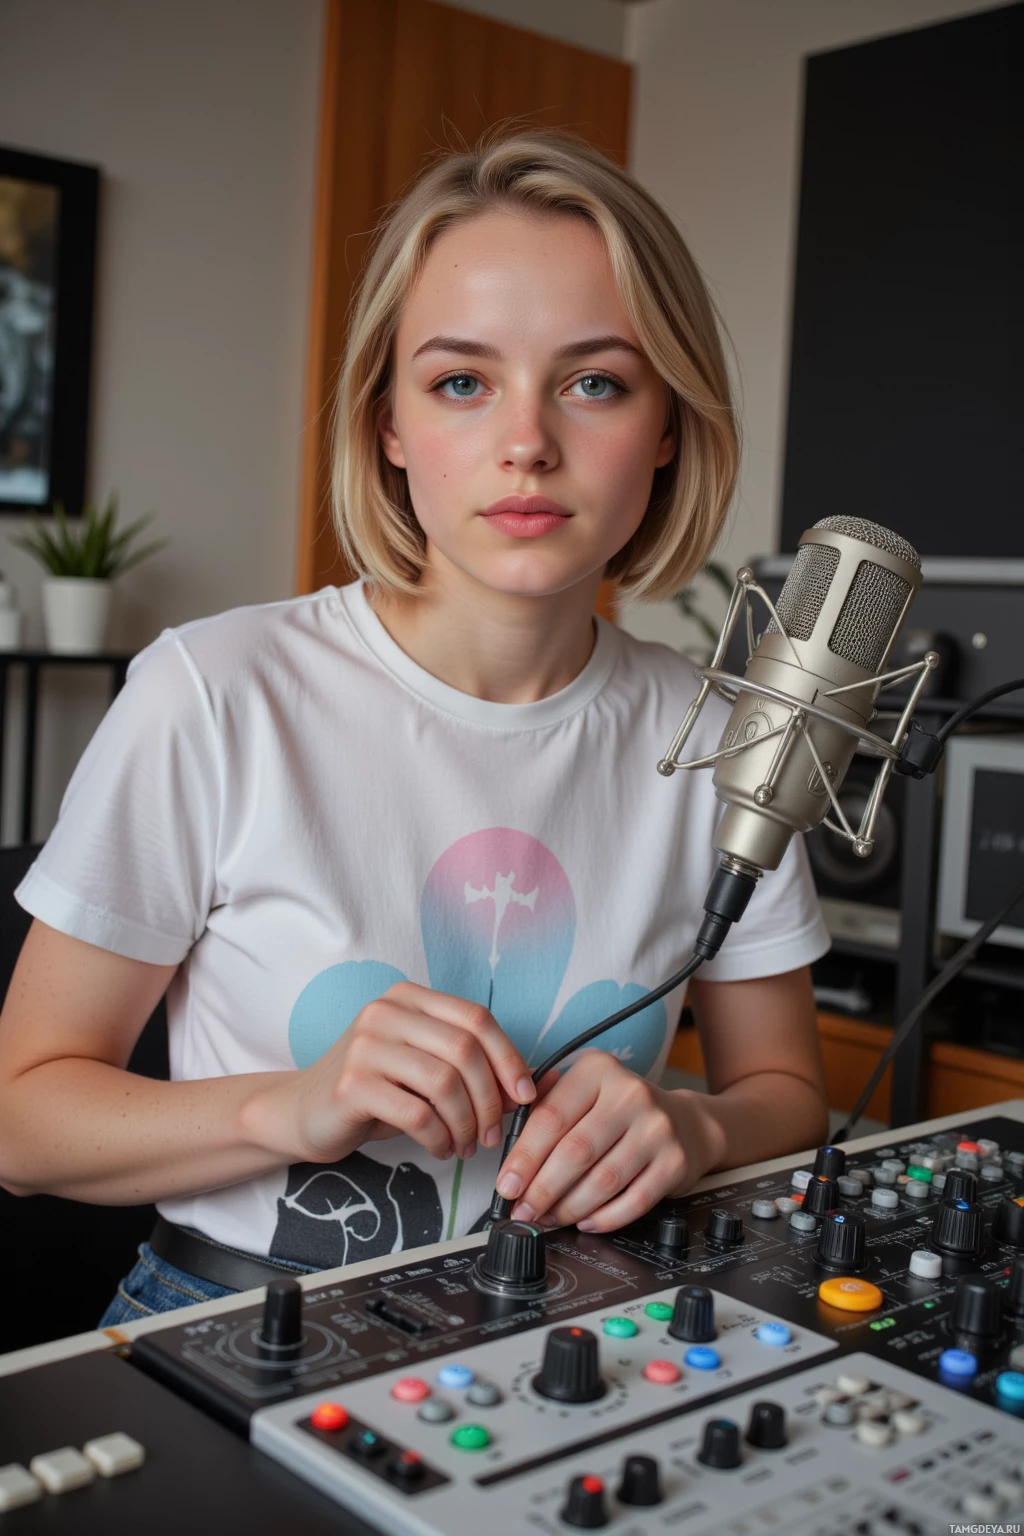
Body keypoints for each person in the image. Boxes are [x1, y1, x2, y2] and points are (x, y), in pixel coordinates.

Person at [0, 131, 830, 1327]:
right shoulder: (213, 692)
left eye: (594, 380)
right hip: (234, 1319)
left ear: (666, 424)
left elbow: (783, 1089)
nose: (526, 442)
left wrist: (695, 1123)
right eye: (460, 382)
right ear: (386, 422)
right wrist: (286, 1107)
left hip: (581, 1327)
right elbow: (24, 1126)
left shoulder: (727, 738)